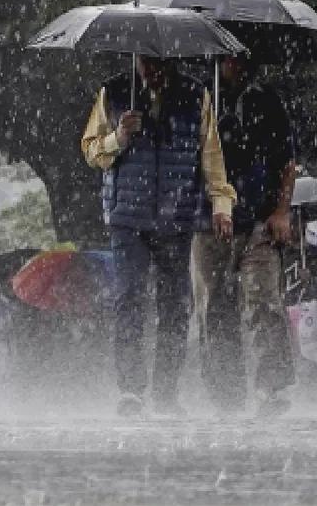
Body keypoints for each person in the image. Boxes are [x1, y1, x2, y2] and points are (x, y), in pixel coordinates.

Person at [82, 56, 236, 417]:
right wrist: (118, 137)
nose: (150, 70)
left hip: (176, 216)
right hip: (127, 219)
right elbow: (90, 151)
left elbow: (212, 156)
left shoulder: (196, 95)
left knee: (174, 305)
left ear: (170, 61)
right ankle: (131, 391)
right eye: (144, 62)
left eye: (158, 63)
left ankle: (166, 391)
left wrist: (221, 204)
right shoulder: (114, 92)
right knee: (129, 299)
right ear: (135, 59)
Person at [190, 53, 296, 418]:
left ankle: (272, 388)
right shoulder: (199, 96)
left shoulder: (267, 100)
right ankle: (224, 394)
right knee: (212, 307)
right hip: (206, 221)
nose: (237, 62)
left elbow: (286, 161)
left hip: (259, 221)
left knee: (264, 301)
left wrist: (282, 211)